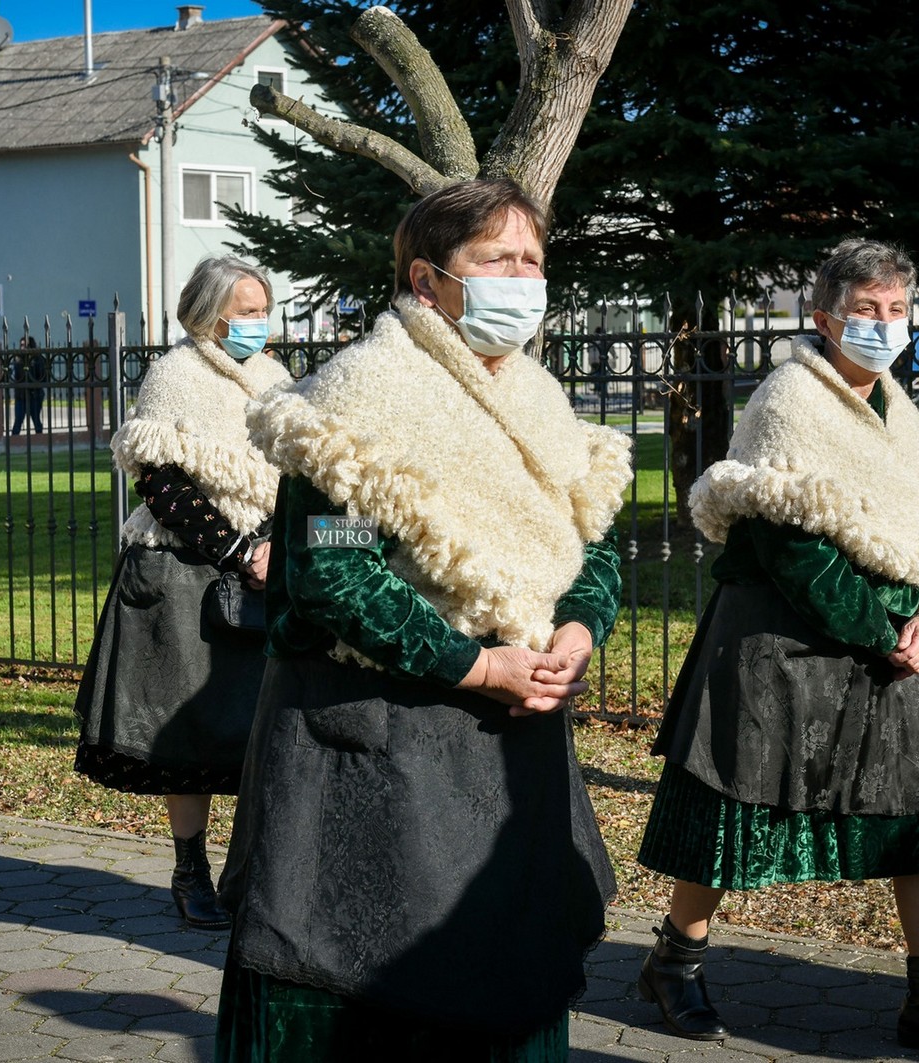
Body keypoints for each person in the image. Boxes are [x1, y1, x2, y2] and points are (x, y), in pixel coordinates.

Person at [215, 179, 634, 1062]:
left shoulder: (535, 398)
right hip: (376, 743)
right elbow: (332, 571)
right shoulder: (357, 402)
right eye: (495, 259)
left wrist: (576, 632)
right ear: (426, 279)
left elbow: (591, 543)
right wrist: (479, 666)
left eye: (532, 259)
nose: (521, 278)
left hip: (515, 745)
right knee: (371, 990)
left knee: (505, 972)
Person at [633, 239, 919, 1063]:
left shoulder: (901, 406)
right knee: (735, 810)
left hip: (896, 644)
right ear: (823, 317)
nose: (883, 325)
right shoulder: (789, 400)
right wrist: (881, 632)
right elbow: (792, 548)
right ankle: (674, 962)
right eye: (866, 310)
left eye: (896, 310)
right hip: (782, 641)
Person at [74, 254, 289, 929]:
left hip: (265, 572)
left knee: (265, 731)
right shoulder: (174, 374)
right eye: (246, 311)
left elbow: (296, 474)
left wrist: (276, 546)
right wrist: (237, 549)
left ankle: (252, 872)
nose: (258, 323)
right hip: (184, 573)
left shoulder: (276, 379)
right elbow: (159, 481)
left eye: (263, 310)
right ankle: (189, 868)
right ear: (209, 313)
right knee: (187, 737)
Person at [9, 335, 47, 436]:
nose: (22, 348)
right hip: (21, 396)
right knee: (18, 419)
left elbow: (43, 377)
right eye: (21, 345)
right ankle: (13, 441)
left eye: (24, 345)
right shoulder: (17, 360)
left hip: (34, 395)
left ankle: (40, 440)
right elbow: (12, 377)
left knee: (36, 420)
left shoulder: (38, 360)